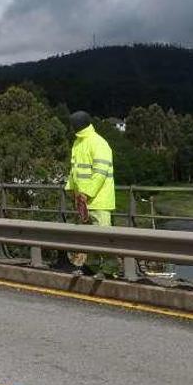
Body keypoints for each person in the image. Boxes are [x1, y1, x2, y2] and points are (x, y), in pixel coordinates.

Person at [64, 111, 115, 276]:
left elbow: (100, 172)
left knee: (103, 237)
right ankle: (91, 266)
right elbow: (74, 170)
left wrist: (85, 192)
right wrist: (72, 190)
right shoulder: (78, 143)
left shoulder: (99, 143)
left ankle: (109, 269)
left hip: (99, 200)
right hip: (83, 200)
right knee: (88, 237)